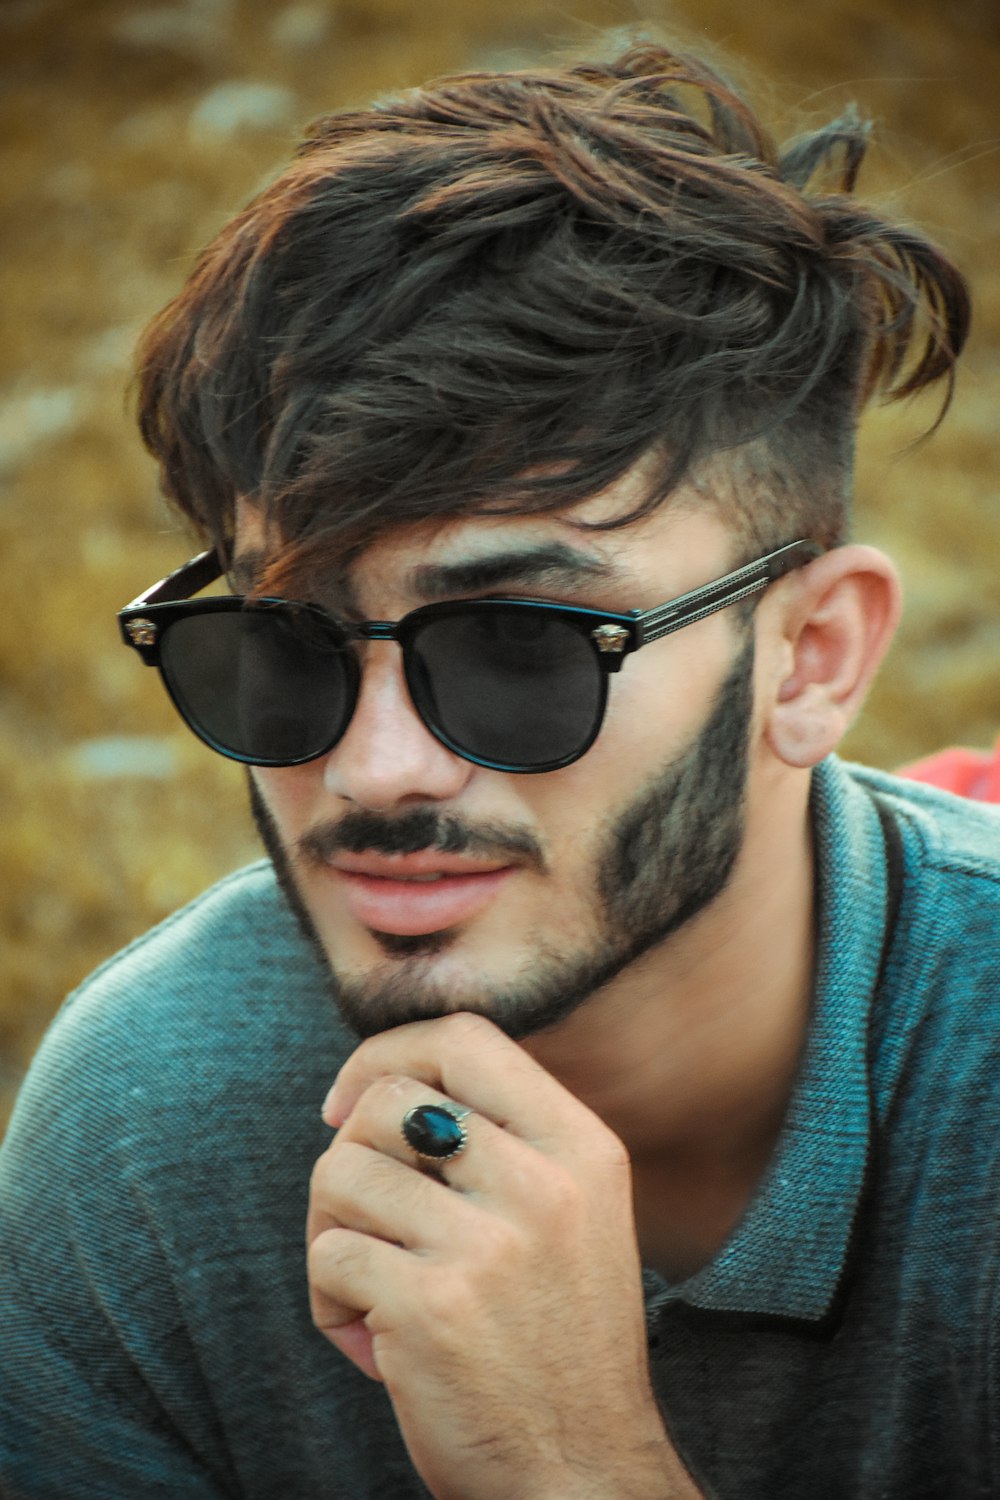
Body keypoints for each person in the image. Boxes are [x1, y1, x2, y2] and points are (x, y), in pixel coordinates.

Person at [1, 39, 996, 1500]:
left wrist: (577, 1467)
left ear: (813, 659)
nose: (376, 771)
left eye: (523, 648)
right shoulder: (151, 1132)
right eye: (286, 646)